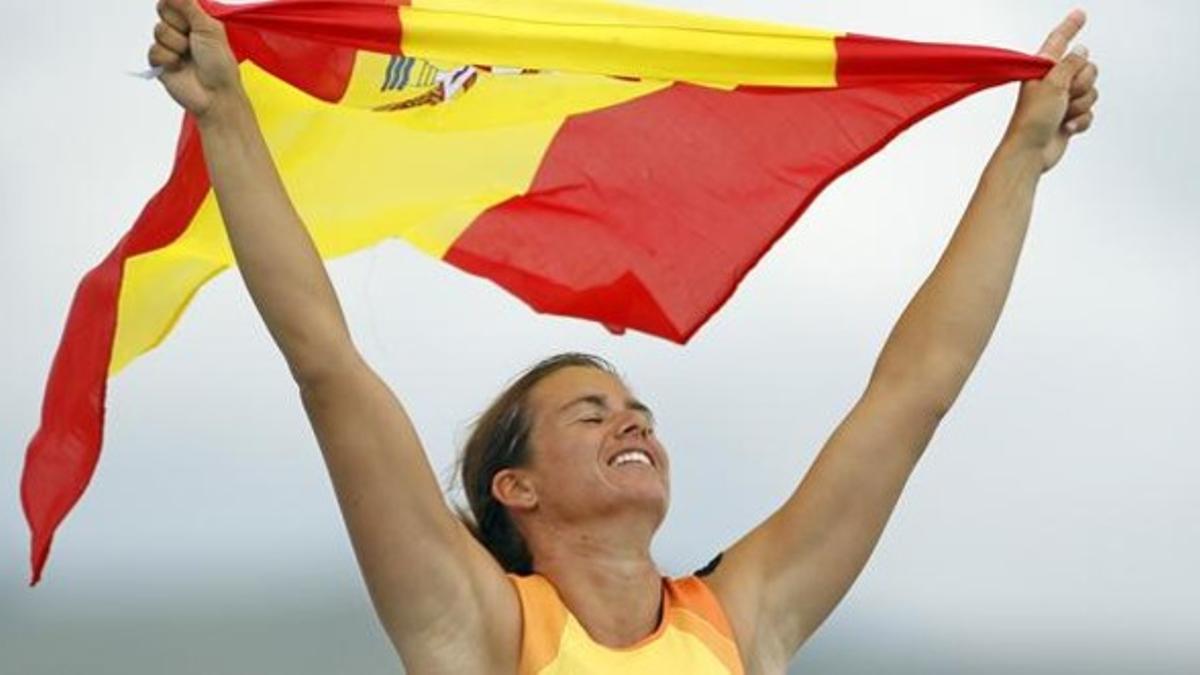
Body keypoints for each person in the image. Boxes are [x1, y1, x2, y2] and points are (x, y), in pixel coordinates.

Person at [147, 0, 1099, 672]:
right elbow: (327, 364)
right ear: (512, 488)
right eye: (592, 414)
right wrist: (226, 111)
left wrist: (1022, 157)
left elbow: (913, 393)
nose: (633, 424)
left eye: (637, 411)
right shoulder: (475, 625)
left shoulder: (743, 617)